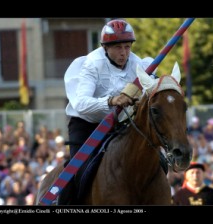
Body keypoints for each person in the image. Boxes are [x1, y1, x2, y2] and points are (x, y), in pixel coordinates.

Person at [64, 19, 153, 159]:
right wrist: (112, 101)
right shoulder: (92, 64)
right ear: (105, 47)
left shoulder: (138, 64)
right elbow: (81, 104)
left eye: (127, 47)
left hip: (119, 124)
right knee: (79, 170)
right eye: (118, 47)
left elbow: (151, 90)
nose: (124, 53)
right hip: (86, 125)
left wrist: (140, 102)